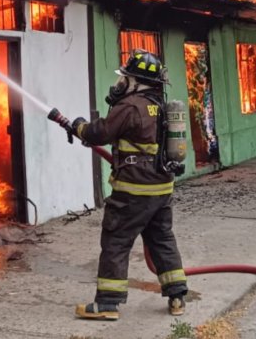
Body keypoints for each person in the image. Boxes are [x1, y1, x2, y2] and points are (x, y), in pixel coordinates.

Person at [70, 49, 188, 321]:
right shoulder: (159, 104)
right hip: (161, 189)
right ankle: (178, 296)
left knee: (116, 240)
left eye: (125, 77)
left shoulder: (131, 106)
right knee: (162, 240)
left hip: (133, 190)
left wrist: (78, 126)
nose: (121, 82)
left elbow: (99, 133)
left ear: (135, 81)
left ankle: (107, 304)